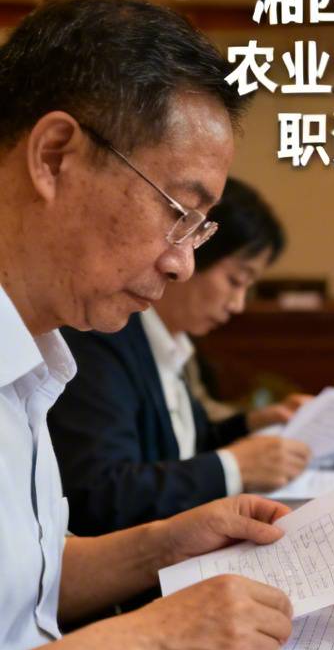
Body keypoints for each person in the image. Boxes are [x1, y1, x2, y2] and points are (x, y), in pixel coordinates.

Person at [0, 0, 293, 650]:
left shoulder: (36, 355)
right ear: (55, 155)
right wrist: (153, 640)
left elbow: (25, 582)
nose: (180, 263)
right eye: (177, 211)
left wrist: (170, 541)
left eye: (200, 230)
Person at [50, 176, 312, 534]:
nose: (237, 304)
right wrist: (234, 467)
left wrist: (251, 424)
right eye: (235, 280)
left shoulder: (170, 344)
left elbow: (182, 448)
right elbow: (100, 494)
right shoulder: (102, 337)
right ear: (193, 253)